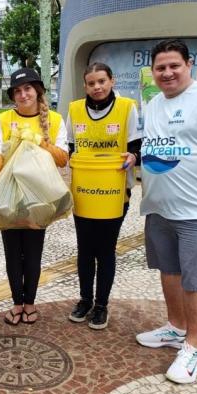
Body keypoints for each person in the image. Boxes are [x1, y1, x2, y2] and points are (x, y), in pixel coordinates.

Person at [0, 68, 69, 325]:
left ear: (37, 91)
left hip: (39, 198)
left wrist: (40, 141)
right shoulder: (5, 120)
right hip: (9, 197)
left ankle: (30, 303)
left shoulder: (55, 119)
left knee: (33, 253)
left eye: (28, 88)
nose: (23, 94)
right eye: (17, 91)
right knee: (12, 252)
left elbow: (63, 159)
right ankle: (17, 303)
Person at [136, 39, 197, 384]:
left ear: (189, 64)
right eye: (160, 67)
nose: (167, 72)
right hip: (159, 208)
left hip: (195, 210)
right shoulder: (154, 103)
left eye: (174, 65)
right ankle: (176, 328)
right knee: (169, 271)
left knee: (195, 279)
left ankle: (195, 344)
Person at [67, 62, 141, 330]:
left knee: (105, 249)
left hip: (114, 192)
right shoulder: (75, 110)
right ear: (85, 85)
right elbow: (71, 146)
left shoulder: (126, 108)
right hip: (85, 191)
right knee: (85, 249)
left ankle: (101, 305)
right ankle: (85, 300)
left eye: (101, 81)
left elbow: (136, 144)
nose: (97, 87)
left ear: (112, 81)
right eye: (91, 83)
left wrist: (133, 156)